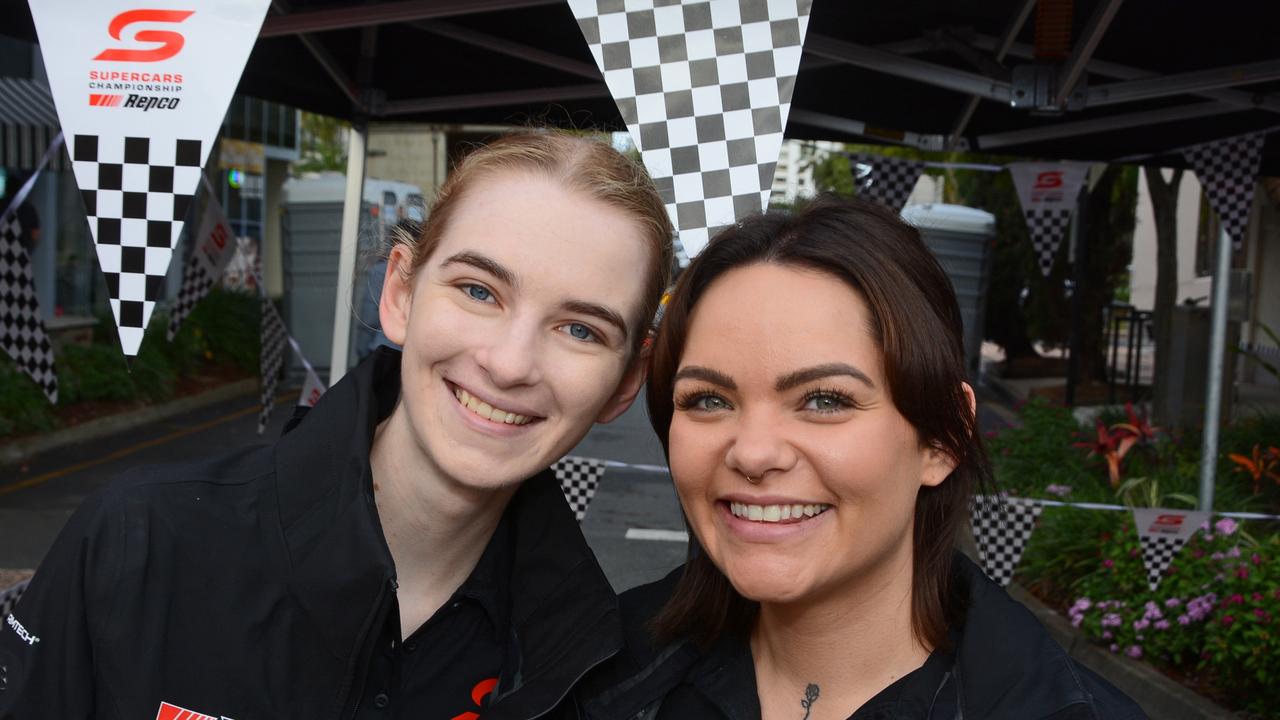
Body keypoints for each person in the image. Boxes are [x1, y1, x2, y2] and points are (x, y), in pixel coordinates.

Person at [0, 133, 673, 719]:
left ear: (623, 383)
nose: (508, 362)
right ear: (401, 292)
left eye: (579, 329)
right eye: (477, 290)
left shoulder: (593, 662)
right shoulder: (139, 542)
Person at [582, 196, 1145, 719]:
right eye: (708, 400)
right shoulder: (584, 674)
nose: (753, 453)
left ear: (943, 439)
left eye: (825, 400)